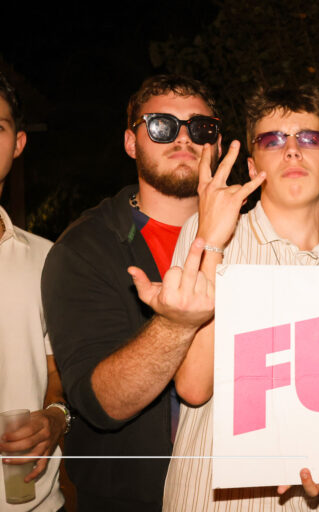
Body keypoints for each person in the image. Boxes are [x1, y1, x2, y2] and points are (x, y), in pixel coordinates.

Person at [163, 85, 319, 511]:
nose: (292, 151)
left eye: (309, 138)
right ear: (251, 165)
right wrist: (212, 241)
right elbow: (192, 386)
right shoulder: (209, 236)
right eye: (273, 140)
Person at [41, 74, 220, 511]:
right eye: (161, 126)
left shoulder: (252, 236)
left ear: (217, 144)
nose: (183, 138)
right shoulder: (85, 249)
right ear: (130, 142)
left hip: (234, 492)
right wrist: (176, 324)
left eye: (200, 128)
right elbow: (102, 403)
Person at [0, 71, 66, 512]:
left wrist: (55, 419)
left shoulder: (47, 258)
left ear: (18, 144)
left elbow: (56, 374)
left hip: (35, 503)